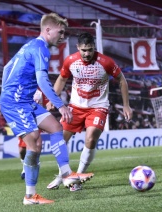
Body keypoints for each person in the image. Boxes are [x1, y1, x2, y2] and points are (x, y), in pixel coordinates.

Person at [0, 13, 94, 205]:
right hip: (15, 102)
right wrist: (60, 105)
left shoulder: (30, 46)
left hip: (24, 100)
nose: (62, 36)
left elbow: (6, 68)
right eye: (60, 31)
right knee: (34, 143)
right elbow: (42, 80)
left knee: (56, 128)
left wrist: (8, 88)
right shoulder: (40, 48)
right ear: (48, 29)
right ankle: (29, 196)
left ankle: (66, 173)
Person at [46, 32, 133, 191]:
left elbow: (121, 80)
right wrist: (54, 98)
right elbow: (62, 78)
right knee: (60, 140)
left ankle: (77, 179)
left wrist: (126, 105)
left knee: (90, 138)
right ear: (78, 47)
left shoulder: (105, 62)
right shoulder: (71, 61)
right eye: (84, 50)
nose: (87, 53)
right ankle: (63, 176)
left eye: (90, 50)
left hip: (98, 106)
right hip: (75, 106)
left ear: (95, 48)